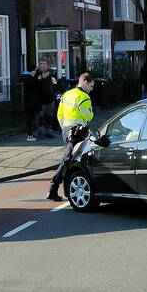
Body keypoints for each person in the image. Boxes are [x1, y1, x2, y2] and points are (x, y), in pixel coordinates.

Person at [48, 72, 96, 201]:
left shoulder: (67, 94)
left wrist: (64, 128)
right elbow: (89, 116)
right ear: (85, 82)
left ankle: (65, 186)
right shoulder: (83, 97)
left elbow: (59, 114)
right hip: (78, 132)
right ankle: (54, 186)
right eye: (91, 86)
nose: (92, 89)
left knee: (70, 160)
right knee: (68, 160)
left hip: (67, 131)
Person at [34, 60, 58, 138]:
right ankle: (41, 132)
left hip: (50, 99)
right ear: (39, 67)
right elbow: (35, 86)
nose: (45, 68)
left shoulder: (49, 75)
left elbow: (53, 85)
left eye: (46, 67)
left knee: (49, 116)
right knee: (41, 116)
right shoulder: (37, 75)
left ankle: (48, 131)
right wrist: (41, 79)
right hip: (41, 100)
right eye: (43, 67)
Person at [22, 65, 41, 142]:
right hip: (30, 103)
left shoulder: (27, 77)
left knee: (30, 119)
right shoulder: (28, 78)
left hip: (30, 102)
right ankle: (30, 135)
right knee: (30, 119)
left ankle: (30, 134)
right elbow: (32, 85)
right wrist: (37, 79)